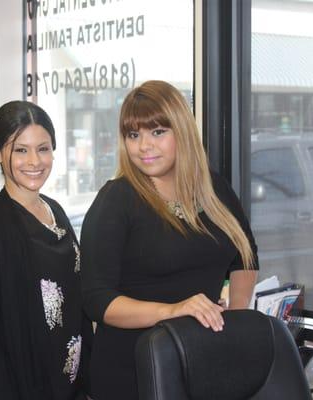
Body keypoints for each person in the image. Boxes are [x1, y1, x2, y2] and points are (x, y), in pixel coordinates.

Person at [81, 80, 259, 400]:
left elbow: (245, 256)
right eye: (134, 135)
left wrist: (235, 315)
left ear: (182, 131)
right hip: (131, 375)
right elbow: (97, 300)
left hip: (201, 363)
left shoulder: (214, 190)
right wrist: (174, 310)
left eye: (158, 132)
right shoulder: (117, 199)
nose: (144, 146)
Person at [0, 101, 92, 400]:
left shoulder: (55, 210)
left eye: (43, 148)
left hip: (72, 380)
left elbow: (77, 296)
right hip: (23, 384)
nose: (35, 160)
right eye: (20, 149)